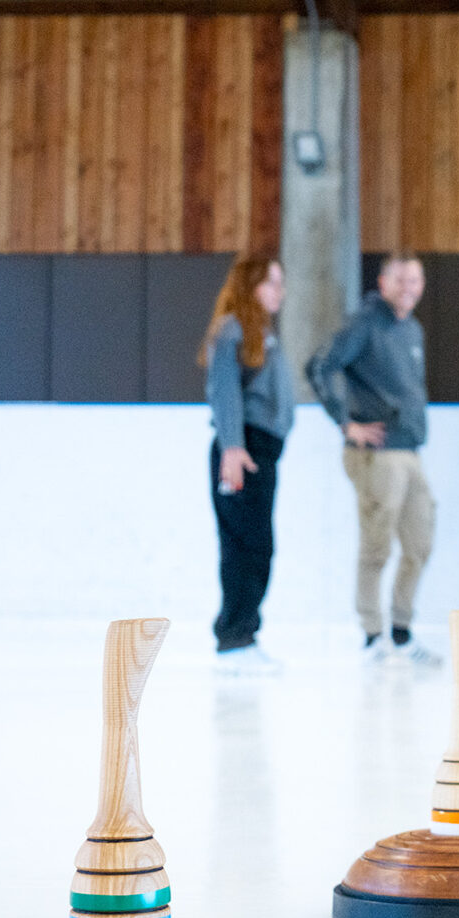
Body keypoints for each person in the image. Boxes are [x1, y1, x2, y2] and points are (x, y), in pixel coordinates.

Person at [311, 251, 438, 664]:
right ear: (382, 283)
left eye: (415, 281)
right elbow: (320, 366)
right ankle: (371, 636)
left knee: (420, 543)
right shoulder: (363, 324)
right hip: (376, 454)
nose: (408, 288)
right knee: (376, 548)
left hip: (410, 451)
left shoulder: (412, 329)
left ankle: (401, 633)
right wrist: (346, 424)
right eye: (400, 280)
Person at [203, 252, 290, 675]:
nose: (280, 291)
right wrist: (233, 449)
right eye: (271, 282)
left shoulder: (261, 333)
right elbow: (225, 392)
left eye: (281, 283)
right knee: (245, 547)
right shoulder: (233, 329)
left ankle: (242, 633)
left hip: (262, 451)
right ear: (249, 285)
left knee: (258, 547)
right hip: (244, 451)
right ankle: (235, 638)